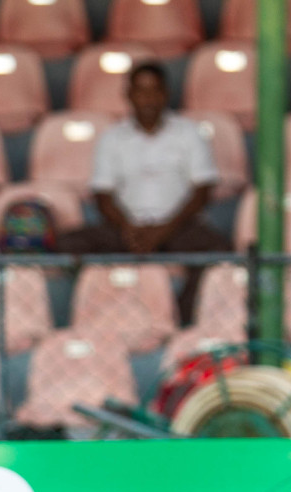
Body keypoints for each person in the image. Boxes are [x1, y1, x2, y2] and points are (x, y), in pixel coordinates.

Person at [57, 61, 229, 323]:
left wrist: (163, 229)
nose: (148, 99)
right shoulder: (112, 138)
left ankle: (184, 321)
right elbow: (103, 195)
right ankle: (90, 318)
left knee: (219, 251)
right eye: (140, 91)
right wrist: (128, 229)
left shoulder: (189, 133)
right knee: (67, 245)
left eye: (154, 91)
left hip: (177, 227)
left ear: (166, 94)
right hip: (126, 228)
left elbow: (202, 191)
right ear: (128, 95)